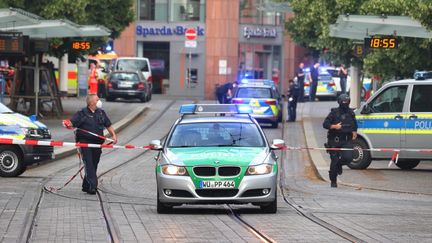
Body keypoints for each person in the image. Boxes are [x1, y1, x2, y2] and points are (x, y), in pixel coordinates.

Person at [62, 94, 117, 194]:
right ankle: (93, 186)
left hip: (97, 144)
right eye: (97, 99)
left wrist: (113, 136)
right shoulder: (82, 113)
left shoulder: (101, 113)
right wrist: (67, 123)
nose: (99, 101)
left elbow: (108, 125)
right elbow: (71, 123)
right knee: (89, 164)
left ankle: (86, 186)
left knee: (94, 163)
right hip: (85, 143)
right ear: (92, 102)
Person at [322, 94, 357, 188]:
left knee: (349, 158)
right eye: (344, 102)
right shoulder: (334, 112)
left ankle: (339, 165)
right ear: (340, 102)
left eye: (347, 102)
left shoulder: (351, 113)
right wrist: (334, 126)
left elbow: (354, 124)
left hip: (346, 140)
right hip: (334, 140)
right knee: (334, 161)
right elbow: (325, 124)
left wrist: (354, 131)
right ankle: (333, 181)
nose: (345, 104)